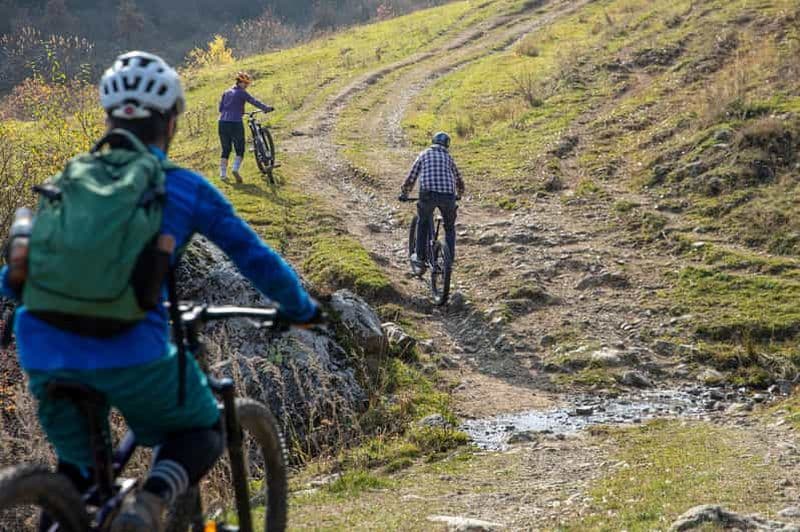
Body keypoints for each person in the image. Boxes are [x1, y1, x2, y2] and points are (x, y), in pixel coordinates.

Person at [0, 51, 321, 532]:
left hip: (43, 348)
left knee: (78, 477)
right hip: (132, 350)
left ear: (109, 119)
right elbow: (253, 257)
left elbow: (14, 278)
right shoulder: (182, 187)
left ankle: (65, 508)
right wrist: (301, 307)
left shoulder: (67, 181)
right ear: (170, 122)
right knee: (202, 427)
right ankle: (149, 503)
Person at [400, 132, 465, 272]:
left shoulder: (424, 154)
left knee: (423, 221)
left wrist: (404, 193)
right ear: (447, 145)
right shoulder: (448, 157)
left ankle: (420, 257)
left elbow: (411, 176)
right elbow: (459, 179)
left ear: (433, 141)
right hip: (448, 196)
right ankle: (449, 261)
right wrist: (459, 194)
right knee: (449, 227)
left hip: (428, 194)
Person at [218, 71, 274, 183]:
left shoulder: (226, 92)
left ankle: (223, 175)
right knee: (240, 149)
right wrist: (266, 108)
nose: (247, 85)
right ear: (239, 82)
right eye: (245, 83)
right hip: (235, 123)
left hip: (222, 123)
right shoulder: (241, 93)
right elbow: (253, 101)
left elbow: (220, 109)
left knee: (226, 149)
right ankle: (235, 169)